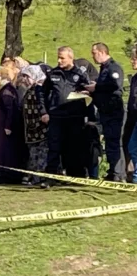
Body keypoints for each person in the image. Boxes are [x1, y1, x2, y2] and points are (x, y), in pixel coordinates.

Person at [42, 46, 92, 186]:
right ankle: (50, 178)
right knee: (54, 148)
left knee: (74, 149)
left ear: (71, 58)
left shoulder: (80, 74)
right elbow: (42, 93)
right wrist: (44, 111)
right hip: (56, 117)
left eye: (62, 58)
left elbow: (88, 94)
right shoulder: (53, 74)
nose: (59, 60)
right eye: (58, 57)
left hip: (75, 118)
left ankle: (75, 177)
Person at [87, 43, 126, 181]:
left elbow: (116, 85)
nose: (92, 56)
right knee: (109, 142)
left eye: (94, 53)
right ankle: (112, 171)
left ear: (102, 52)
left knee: (115, 142)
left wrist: (96, 87)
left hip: (113, 111)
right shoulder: (104, 69)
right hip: (105, 112)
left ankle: (118, 173)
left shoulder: (113, 68)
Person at [0, 65, 24, 183]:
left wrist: (8, 125)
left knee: (1, 150)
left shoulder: (6, 90)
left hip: (1, 126)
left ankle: (2, 174)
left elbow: (10, 109)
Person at [17, 65, 48, 185]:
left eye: (27, 76)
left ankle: (42, 178)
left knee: (42, 153)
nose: (24, 79)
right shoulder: (30, 89)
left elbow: (43, 105)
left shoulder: (41, 88)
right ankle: (33, 177)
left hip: (41, 128)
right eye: (23, 76)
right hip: (30, 129)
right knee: (33, 154)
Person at [127, 49, 137, 182]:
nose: (131, 61)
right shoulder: (135, 78)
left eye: (134, 58)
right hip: (135, 118)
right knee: (132, 147)